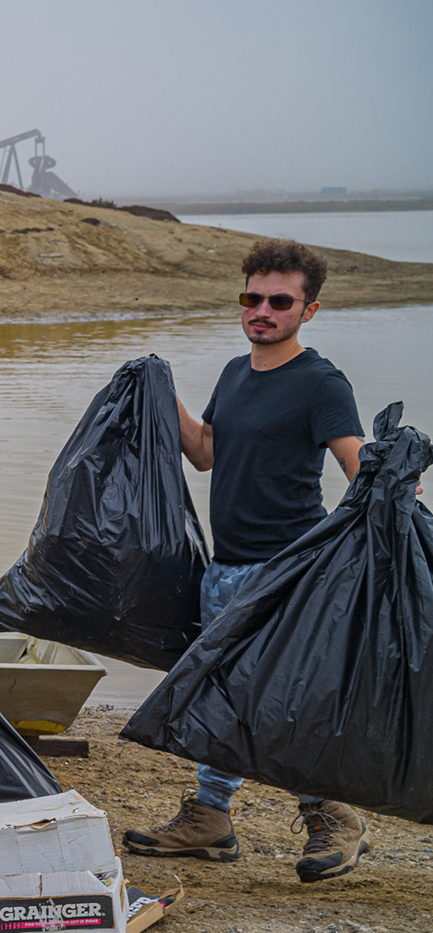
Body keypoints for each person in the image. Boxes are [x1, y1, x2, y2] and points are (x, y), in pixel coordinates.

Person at [123, 239, 371, 884]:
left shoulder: (321, 382)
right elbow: (205, 452)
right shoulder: (236, 372)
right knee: (223, 691)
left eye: (279, 301)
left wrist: (388, 500)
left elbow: (356, 466)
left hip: (287, 566)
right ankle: (211, 817)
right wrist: (161, 388)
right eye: (252, 298)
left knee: (290, 695)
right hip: (227, 566)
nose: (262, 310)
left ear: (307, 311)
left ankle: (331, 815)